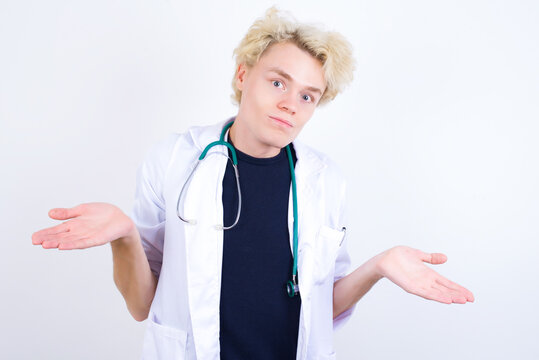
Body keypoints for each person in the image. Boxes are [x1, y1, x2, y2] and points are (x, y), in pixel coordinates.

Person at [32, 7, 474, 360]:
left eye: (307, 95)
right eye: (278, 81)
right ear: (244, 76)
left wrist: (379, 265)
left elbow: (321, 311)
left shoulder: (325, 181)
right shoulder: (173, 160)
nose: (290, 104)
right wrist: (125, 235)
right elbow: (140, 305)